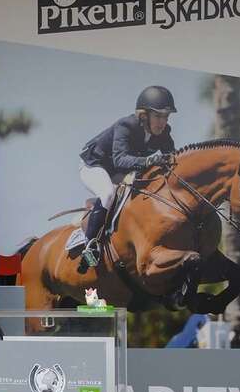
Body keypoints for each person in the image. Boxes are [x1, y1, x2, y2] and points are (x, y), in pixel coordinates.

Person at [76, 86, 177, 272]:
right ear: (144, 115)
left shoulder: (164, 132)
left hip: (120, 170)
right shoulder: (126, 126)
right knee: (108, 194)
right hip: (94, 165)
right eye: (158, 116)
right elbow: (120, 159)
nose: (163, 122)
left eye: (166, 117)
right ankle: (89, 246)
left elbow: (172, 159)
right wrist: (149, 161)